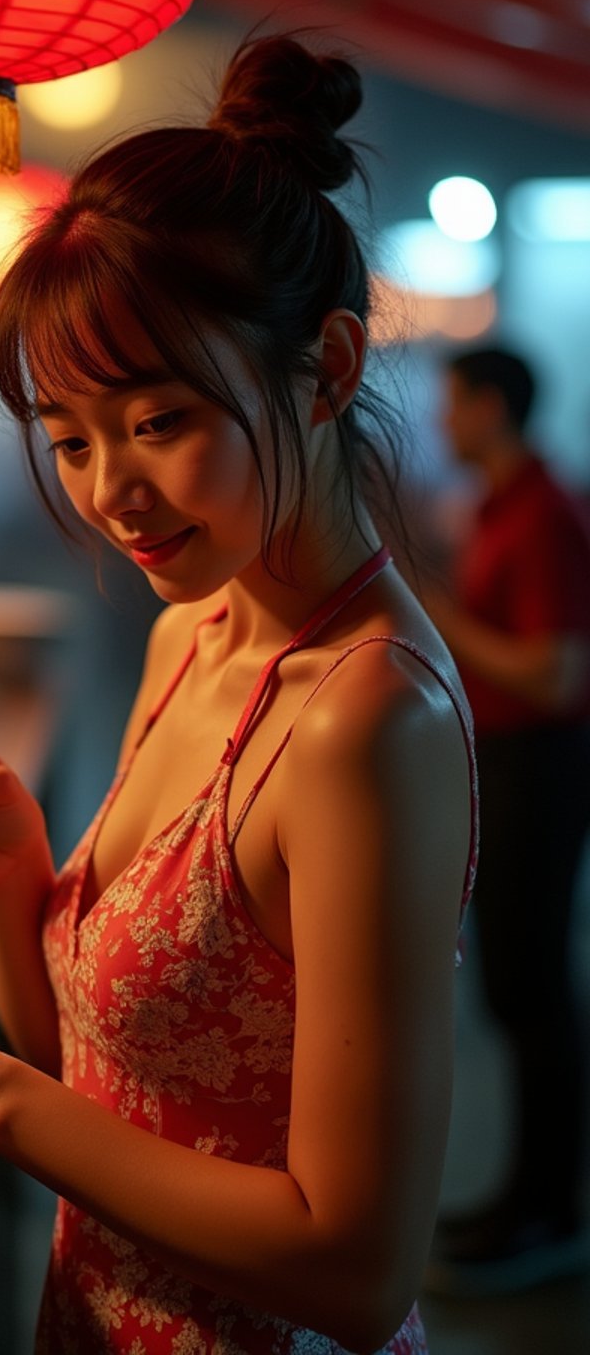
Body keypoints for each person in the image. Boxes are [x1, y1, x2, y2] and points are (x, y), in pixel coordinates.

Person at [0, 33, 478, 1355]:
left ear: (325, 370)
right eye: (73, 440)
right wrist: (14, 879)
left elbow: (355, 1265)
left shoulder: (371, 719)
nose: (111, 495)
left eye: (159, 424)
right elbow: (107, 1087)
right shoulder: (197, 632)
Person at [423, 345, 590, 1296]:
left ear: (492, 408)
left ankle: (549, 1210)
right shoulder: (500, 504)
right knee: (517, 992)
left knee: (535, 996)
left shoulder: (543, 514)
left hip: (543, 765)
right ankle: (521, 1197)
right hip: (512, 762)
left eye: (454, 405)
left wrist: (446, 619)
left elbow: (556, 673)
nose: (443, 423)